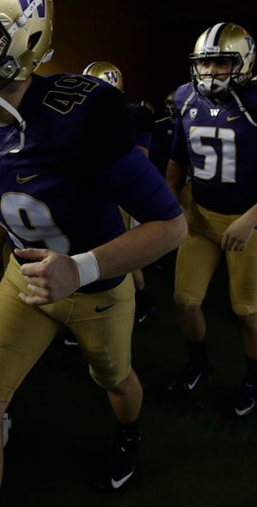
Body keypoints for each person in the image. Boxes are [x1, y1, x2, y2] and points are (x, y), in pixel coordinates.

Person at [0, 0, 187, 505]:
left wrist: (81, 268)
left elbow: (171, 225)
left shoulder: (83, 114)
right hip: (25, 280)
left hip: (97, 287)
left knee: (115, 381)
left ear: (24, 37)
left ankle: (128, 434)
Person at [165, 22, 257, 417]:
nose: (211, 73)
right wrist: (166, 205)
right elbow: (176, 162)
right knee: (184, 301)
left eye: (222, 63)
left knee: (245, 309)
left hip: (251, 220)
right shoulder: (186, 98)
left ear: (244, 62)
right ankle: (198, 362)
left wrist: (252, 217)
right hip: (201, 217)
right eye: (205, 64)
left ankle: (255, 379)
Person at [82, 61, 158, 329]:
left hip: (121, 190)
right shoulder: (80, 115)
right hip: (96, 191)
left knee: (120, 249)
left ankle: (137, 300)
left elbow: (141, 158)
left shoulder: (135, 116)